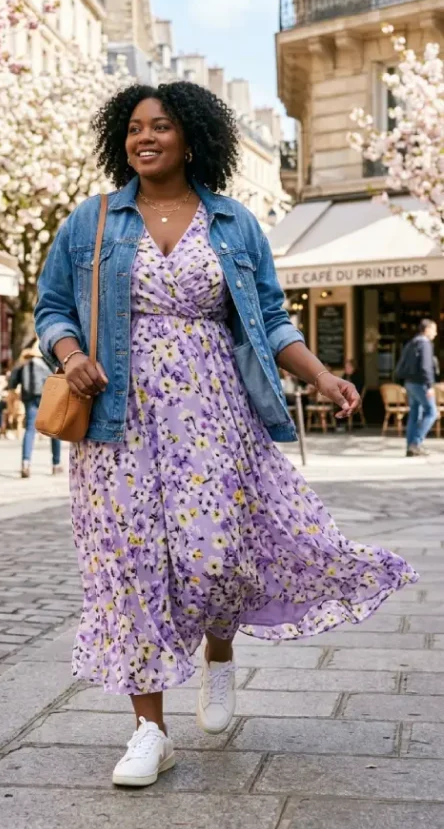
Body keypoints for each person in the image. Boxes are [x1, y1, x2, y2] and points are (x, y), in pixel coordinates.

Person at [35, 80, 418, 789]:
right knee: (132, 571)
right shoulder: (89, 222)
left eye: (161, 127)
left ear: (192, 138)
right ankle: (149, 729)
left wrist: (321, 377)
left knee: (216, 559)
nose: (144, 139)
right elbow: (52, 308)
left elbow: (270, 320)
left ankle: (219, 649)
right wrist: (70, 355)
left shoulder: (234, 224)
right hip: (116, 421)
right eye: (134, 129)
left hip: (213, 414)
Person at [8, 341, 63, 478]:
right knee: (53, 429)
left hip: (29, 398)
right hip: (48, 396)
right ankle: (56, 464)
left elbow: (12, 383)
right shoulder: (47, 359)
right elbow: (58, 375)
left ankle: (26, 463)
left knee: (30, 429)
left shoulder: (22, 363)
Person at [395, 318, 439, 457]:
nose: (436, 333)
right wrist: (429, 385)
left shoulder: (412, 343)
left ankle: (410, 447)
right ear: (426, 330)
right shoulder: (425, 344)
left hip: (409, 383)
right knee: (432, 412)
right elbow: (426, 366)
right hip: (421, 384)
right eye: (434, 329)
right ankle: (416, 442)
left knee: (414, 414)